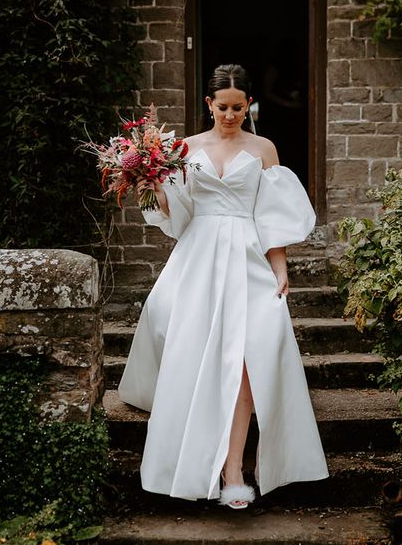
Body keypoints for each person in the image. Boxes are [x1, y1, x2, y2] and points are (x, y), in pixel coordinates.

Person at [117, 64, 328, 509]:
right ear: (208, 105)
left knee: (254, 357)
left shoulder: (264, 148)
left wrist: (280, 264)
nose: (231, 114)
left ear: (248, 104)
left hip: (248, 256)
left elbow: (271, 213)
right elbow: (178, 214)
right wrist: (151, 184)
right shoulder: (185, 147)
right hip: (199, 255)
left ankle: (235, 471)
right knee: (191, 356)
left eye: (239, 106)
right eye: (223, 107)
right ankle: (192, 463)